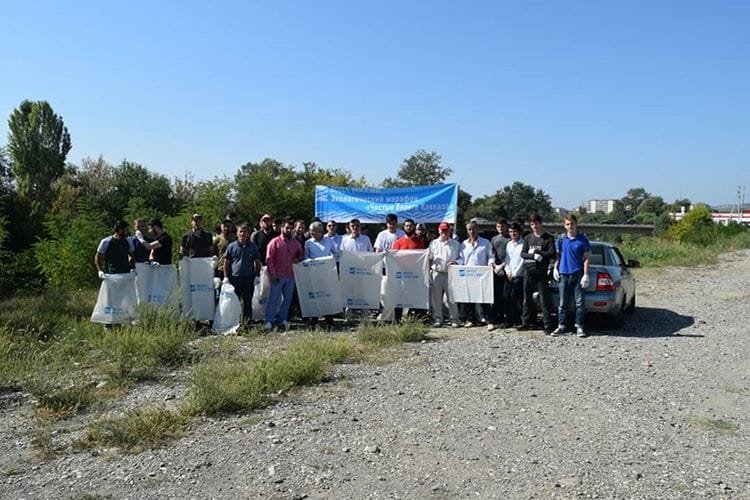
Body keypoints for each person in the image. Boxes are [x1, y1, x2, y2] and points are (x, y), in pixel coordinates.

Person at [552, 213, 591, 338]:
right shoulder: (561, 239)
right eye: (567, 224)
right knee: (563, 303)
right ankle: (561, 326)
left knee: (580, 303)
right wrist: (555, 268)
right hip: (564, 275)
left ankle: (579, 326)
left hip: (577, 274)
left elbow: (586, 258)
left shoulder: (583, 240)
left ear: (576, 224)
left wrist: (586, 274)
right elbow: (558, 255)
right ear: (564, 225)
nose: (570, 226)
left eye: (572, 224)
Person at [519, 214, 556, 334]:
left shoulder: (548, 238)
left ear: (541, 223)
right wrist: (532, 255)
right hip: (528, 271)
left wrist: (540, 253)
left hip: (541, 273)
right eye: (532, 224)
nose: (534, 226)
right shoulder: (528, 238)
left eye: (536, 223)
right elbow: (523, 253)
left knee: (544, 300)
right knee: (527, 298)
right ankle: (527, 322)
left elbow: (552, 253)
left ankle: (547, 325)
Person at [264, 218, 303, 330]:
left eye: (291, 228)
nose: (289, 230)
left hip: (290, 276)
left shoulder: (295, 243)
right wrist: (272, 273)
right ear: (282, 228)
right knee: (274, 299)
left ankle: (282, 319)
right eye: (287, 228)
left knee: (287, 299)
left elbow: (301, 254)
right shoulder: (274, 242)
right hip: (277, 275)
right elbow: (269, 258)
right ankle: (269, 321)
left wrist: (298, 259)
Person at [94, 221, 135, 329]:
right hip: (110, 275)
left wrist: (132, 268)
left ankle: (123, 321)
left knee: (125, 299)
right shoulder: (106, 241)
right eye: (126, 229)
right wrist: (99, 270)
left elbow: (131, 255)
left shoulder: (128, 241)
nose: (127, 231)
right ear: (119, 229)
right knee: (110, 299)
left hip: (124, 275)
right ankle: (108, 323)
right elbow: (98, 256)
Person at [457, 220, 494, 327]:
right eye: (469, 229)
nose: (472, 231)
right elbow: (461, 258)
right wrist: (455, 262)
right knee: (469, 298)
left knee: (484, 299)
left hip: (482, 274)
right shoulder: (463, 244)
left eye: (473, 229)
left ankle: (489, 321)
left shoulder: (485, 242)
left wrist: (491, 264)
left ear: (477, 229)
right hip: (468, 275)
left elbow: (490, 256)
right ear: (467, 231)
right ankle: (471, 320)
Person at [223, 223, 262, 324]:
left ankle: (247, 323)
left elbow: (257, 262)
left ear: (248, 234)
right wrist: (226, 277)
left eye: (245, 232)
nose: (243, 234)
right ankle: (235, 322)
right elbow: (226, 263)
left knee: (247, 302)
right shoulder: (231, 246)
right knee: (235, 302)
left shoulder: (252, 246)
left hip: (248, 279)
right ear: (237, 233)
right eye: (240, 231)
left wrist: (257, 276)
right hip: (235, 279)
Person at [391, 218, 427, 322]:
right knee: (399, 296)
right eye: (407, 226)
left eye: (410, 226)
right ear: (404, 227)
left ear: (413, 227)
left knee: (414, 295)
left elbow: (422, 257)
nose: (408, 227)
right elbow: (393, 257)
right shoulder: (398, 242)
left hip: (414, 274)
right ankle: (397, 318)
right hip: (401, 274)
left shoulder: (419, 242)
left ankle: (413, 318)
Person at [428, 221, 461, 328]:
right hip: (436, 273)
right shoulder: (433, 243)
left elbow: (461, 258)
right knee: (436, 298)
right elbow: (429, 257)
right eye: (442, 230)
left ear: (449, 231)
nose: (444, 232)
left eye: (446, 230)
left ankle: (454, 319)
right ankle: (438, 319)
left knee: (452, 298)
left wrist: (456, 262)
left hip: (451, 274)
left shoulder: (456, 244)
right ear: (439, 230)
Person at [304, 221, 338, 328]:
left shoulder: (328, 241)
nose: (311, 233)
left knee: (327, 294)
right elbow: (305, 256)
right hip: (313, 272)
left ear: (320, 231)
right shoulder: (308, 243)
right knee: (315, 294)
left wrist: (332, 258)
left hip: (327, 272)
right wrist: (311, 261)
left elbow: (336, 253)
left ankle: (329, 317)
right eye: (310, 231)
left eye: (313, 231)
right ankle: (314, 318)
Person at [339, 218, 373, 321]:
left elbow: (371, 253)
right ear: (349, 227)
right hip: (350, 271)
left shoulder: (366, 239)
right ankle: (348, 316)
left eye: (357, 226)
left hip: (363, 271)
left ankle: (364, 316)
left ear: (360, 227)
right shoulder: (344, 240)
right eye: (352, 226)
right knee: (350, 292)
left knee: (363, 293)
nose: (355, 228)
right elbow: (342, 254)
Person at [487, 219, 510, 331]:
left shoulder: (510, 238)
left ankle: (506, 318)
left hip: (507, 269)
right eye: (498, 226)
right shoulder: (494, 239)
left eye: (502, 226)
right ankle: (496, 318)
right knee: (495, 296)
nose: (500, 228)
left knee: (506, 295)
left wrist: (503, 265)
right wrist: (494, 265)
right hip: (495, 270)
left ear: (506, 227)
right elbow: (492, 253)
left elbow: (511, 254)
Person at [503, 222, 525, 328]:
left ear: (519, 232)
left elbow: (522, 261)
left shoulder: (523, 244)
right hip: (509, 274)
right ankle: (509, 320)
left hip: (519, 275)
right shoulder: (508, 244)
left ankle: (518, 320)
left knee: (516, 299)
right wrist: (508, 272)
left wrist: (515, 273)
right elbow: (507, 259)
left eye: (514, 232)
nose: (512, 234)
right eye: (510, 232)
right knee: (506, 297)